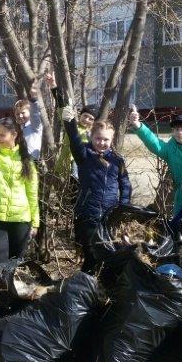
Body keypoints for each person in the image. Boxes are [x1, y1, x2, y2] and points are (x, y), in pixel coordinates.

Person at [61, 106, 131, 273]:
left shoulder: (117, 160)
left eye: (106, 140)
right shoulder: (84, 155)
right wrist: (69, 122)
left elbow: (125, 185)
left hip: (110, 217)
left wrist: (123, 209)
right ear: (91, 137)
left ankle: (101, 289)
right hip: (88, 215)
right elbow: (74, 139)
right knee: (92, 256)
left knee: (110, 256)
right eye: (98, 138)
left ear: (112, 140)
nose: (102, 143)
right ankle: (86, 287)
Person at [0, 117, 39, 264]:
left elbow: (32, 193)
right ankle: (1, 286)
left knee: (16, 261)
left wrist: (35, 222)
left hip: (21, 218)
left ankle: (11, 287)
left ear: (14, 135)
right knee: (0, 260)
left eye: (2, 135)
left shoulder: (26, 160)